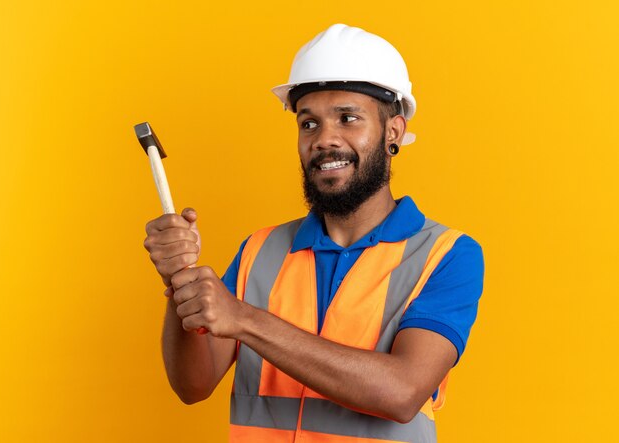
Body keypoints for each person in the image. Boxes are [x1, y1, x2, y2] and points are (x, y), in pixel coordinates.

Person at [143, 24, 484, 443]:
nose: (325, 139)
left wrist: (245, 320)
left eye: (348, 118)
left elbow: (402, 392)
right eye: (309, 124)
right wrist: (179, 285)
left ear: (393, 132)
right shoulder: (259, 251)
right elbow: (192, 386)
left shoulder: (446, 255)